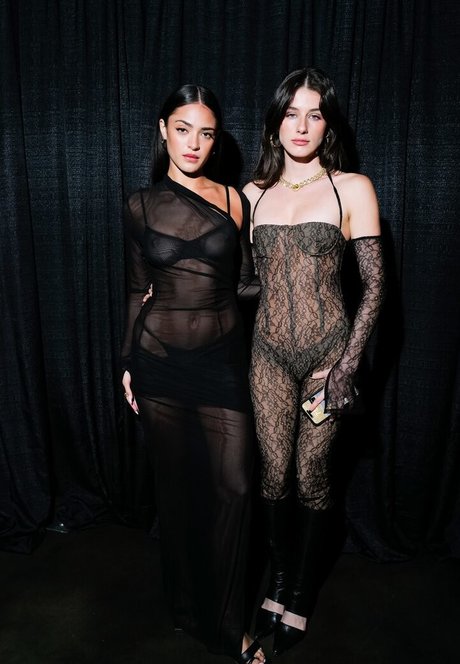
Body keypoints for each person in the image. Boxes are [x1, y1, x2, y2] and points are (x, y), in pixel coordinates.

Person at [243, 67, 385, 656]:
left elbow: (375, 287)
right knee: (273, 475)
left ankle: (301, 593)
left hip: (329, 356)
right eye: (291, 113)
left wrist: (346, 366)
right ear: (276, 122)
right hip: (268, 355)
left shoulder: (351, 188)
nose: (301, 126)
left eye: (315, 114)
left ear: (328, 124)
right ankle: (278, 583)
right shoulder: (251, 194)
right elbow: (245, 283)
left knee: (312, 475)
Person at [121, 84, 265, 664]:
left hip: (221, 363)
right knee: (177, 495)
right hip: (157, 363)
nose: (193, 143)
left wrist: (297, 284)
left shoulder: (234, 200)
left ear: (216, 139)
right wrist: (126, 363)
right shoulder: (139, 205)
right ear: (163, 130)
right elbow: (136, 290)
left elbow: (246, 283)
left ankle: (227, 625)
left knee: (235, 487)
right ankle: (185, 607)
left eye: (206, 133)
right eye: (183, 129)